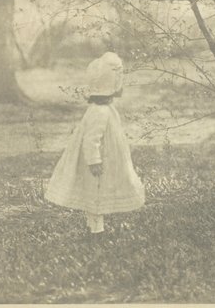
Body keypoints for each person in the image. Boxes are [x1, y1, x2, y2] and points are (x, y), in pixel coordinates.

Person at [45, 52, 145, 236]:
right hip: (100, 161)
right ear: (110, 86)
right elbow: (91, 139)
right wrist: (94, 160)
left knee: (101, 189)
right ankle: (96, 229)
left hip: (108, 156)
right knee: (96, 191)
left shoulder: (106, 109)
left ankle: (96, 226)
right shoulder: (99, 112)